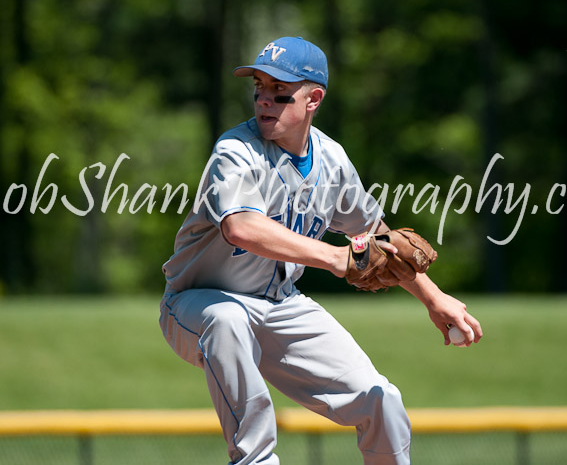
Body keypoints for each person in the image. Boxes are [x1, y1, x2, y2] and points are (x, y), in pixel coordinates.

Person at [160, 36, 482, 465]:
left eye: (280, 93)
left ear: (314, 98)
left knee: (380, 398)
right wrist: (335, 257)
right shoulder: (236, 150)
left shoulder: (331, 159)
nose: (264, 102)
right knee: (228, 318)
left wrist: (434, 298)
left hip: (280, 307)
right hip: (196, 306)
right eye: (259, 89)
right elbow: (240, 227)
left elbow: (380, 240)